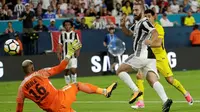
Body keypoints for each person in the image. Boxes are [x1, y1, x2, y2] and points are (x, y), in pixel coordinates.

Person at [16, 40, 118, 112]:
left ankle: (105, 92)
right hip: (61, 98)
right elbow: (60, 68)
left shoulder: (21, 88)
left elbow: (19, 108)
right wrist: (69, 54)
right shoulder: (40, 73)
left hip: (53, 110)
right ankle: (104, 91)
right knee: (76, 85)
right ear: (32, 67)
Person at [131, 9, 193, 109]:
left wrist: (147, 43)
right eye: (145, 16)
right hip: (148, 57)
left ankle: (186, 93)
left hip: (160, 57)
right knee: (139, 76)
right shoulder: (143, 28)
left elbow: (158, 43)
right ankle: (140, 102)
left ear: (154, 17)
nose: (147, 18)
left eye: (149, 16)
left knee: (170, 80)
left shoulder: (158, 28)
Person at [118, 1, 173, 112]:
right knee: (152, 80)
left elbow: (155, 32)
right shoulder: (138, 24)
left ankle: (135, 90)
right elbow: (129, 33)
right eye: (133, 10)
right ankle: (166, 100)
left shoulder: (144, 22)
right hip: (150, 57)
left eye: (137, 10)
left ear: (142, 11)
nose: (134, 12)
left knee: (120, 70)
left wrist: (150, 41)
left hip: (141, 54)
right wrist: (123, 26)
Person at [57, 20, 81, 85]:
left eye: (68, 25)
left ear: (71, 26)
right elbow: (59, 45)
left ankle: (74, 84)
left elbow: (78, 44)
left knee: (73, 70)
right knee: (66, 71)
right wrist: (58, 54)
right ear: (64, 26)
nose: (67, 26)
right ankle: (67, 85)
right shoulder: (62, 35)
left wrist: (78, 52)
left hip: (73, 55)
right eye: (66, 25)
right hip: (64, 56)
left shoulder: (75, 34)